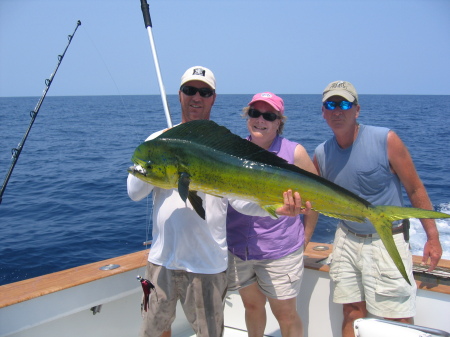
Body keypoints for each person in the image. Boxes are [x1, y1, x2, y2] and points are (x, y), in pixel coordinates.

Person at [127, 66, 307, 337]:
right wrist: (162, 153)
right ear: (180, 95)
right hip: (162, 261)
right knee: (155, 331)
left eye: (204, 92)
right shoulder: (157, 140)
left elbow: (241, 202)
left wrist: (275, 210)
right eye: (190, 90)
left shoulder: (221, 148)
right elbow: (134, 192)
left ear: (213, 98)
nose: (196, 97)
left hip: (207, 264)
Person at [313, 80, 443, 337]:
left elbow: (415, 188)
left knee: (399, 318)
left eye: (344, 104)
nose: (337, 111)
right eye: (331, 104)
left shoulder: (386, 139)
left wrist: (433, 237)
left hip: (387, 241)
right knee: (351, 311)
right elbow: (310, 204)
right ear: (323, 112)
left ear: (357, 110)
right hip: (347, 239)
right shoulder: (321, 153)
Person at [226, 92, 319, 337]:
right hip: (239, 249)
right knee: (252, 306)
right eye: (255, 113)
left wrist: (305, 239)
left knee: (286, 314)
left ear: (279, 121)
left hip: (280, 251)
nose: (260, 120)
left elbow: (316, 200)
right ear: (248, 117)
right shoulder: (233, 151)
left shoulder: (294, 152)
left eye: (269, 115)